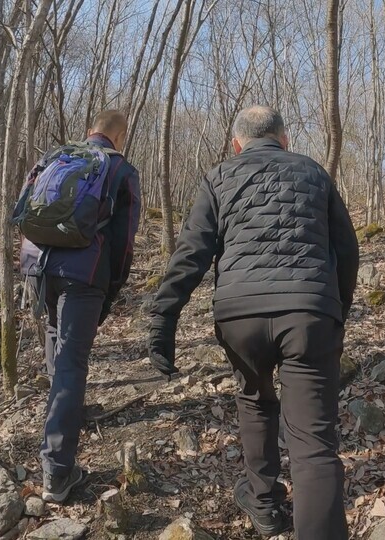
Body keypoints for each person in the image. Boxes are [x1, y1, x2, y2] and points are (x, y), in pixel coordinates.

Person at [148, 106, 358, 539]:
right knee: (313, 446)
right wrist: (337, 310)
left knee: (255, 400)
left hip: (239, 315)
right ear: (284, 140)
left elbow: (192, 252)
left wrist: (165, 317)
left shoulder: (219, 177)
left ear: (236, 144)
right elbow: (347, 249)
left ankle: (264, 504)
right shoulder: (313, 172)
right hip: (308, 312)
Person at [19, 110, 142, 503]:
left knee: (56, 342)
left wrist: (30, 266)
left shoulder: (52, 157)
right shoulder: (120, 169)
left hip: (38, 267)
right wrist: (112, 287)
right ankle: (57, 471)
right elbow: (124, 242)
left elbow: (25, 210)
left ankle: (68, 413)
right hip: (83, 274)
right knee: (72, 363)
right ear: (119, 136)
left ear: (90, 131)